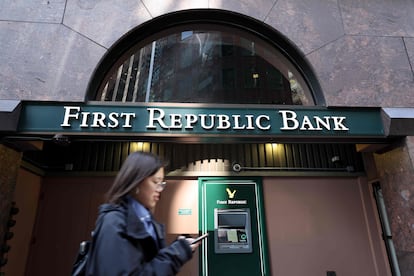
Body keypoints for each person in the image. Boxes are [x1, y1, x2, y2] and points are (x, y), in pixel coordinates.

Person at [86, 151, 200, 275]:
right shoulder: (114, 222)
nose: (159, 189)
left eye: (162, 183)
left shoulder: (147, 222)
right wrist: (176, 253)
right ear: (137, 181)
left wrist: (178, 248)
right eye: (155, 182)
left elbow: (151, 264)